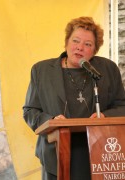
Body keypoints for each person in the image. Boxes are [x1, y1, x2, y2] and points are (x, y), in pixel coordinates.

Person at [23, 16, 125, 180]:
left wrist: (105, 116)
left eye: (88, 44)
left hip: (100, 153)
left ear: (94, 50)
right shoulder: (41, 71)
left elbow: (122, 106)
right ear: (66, 42)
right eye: (75, 41)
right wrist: (52, 121)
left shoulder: (107, 69)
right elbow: (30, 111)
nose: (80, 48)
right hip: (55, 154)